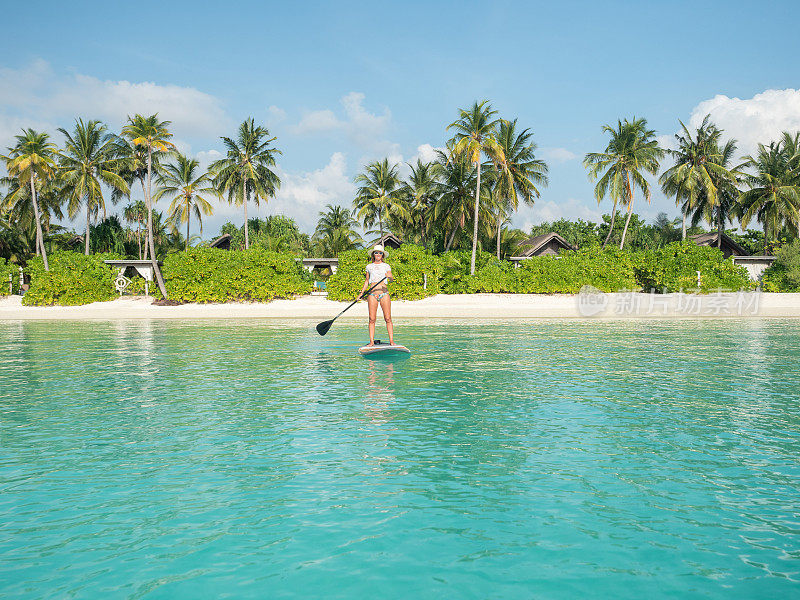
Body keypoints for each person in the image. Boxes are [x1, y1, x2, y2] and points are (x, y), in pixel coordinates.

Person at [359, 244, 394, 346]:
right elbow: (366, 281)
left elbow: (391, 280)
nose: (378, 254)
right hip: (372, 294)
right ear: (373, 254)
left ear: (382, 255)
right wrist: (361, 293)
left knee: (388, 318)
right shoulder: (369, 266)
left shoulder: (386, 266)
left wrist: (390, 277)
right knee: (372, 319)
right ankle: (371, 342)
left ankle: (391, 341)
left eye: (380, 253)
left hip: (384, 294)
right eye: (376, 252)